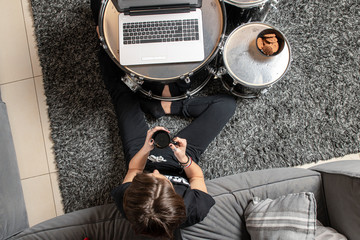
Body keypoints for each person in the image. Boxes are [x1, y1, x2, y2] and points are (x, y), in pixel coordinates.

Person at [90, 1, 237, 238]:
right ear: (177, 199)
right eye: (162, 181)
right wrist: (184, 158)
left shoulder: (130, 203)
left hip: (141, 154)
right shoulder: (194, 208)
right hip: (179, 159)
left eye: (150, 178)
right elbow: (197, 176)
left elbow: (135, 168)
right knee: (226, 105)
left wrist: (146, 149)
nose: (156, 172)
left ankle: (156, 103)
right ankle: (167, 105)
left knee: (119, 88)